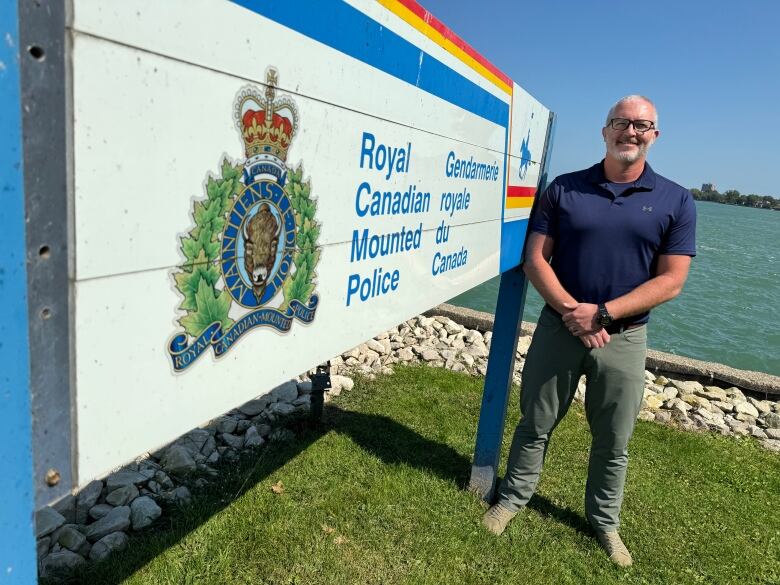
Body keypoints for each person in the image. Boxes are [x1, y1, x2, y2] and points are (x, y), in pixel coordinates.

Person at [481, 95, 696, 567]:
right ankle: (513, 499)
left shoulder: (676, 199)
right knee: (534, 424)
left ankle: (604, 522)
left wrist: (602, 314)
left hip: (624, 337)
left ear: (654, 136)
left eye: (642, 125)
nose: (631, 132)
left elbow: (671, 280)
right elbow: (536, 257)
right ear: (604, 131)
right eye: (621, 122)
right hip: (560, 328)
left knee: (613, 440)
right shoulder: (564, 188)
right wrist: (571, 311)